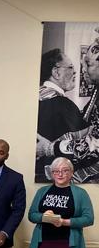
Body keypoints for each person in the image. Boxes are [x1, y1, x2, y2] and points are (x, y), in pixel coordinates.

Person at [36, 49, 89, 182]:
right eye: (71, 67)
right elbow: (85, 144)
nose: (75, 71)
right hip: (60, 176)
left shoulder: (34, 99)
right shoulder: (63, 105)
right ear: (56, 72)